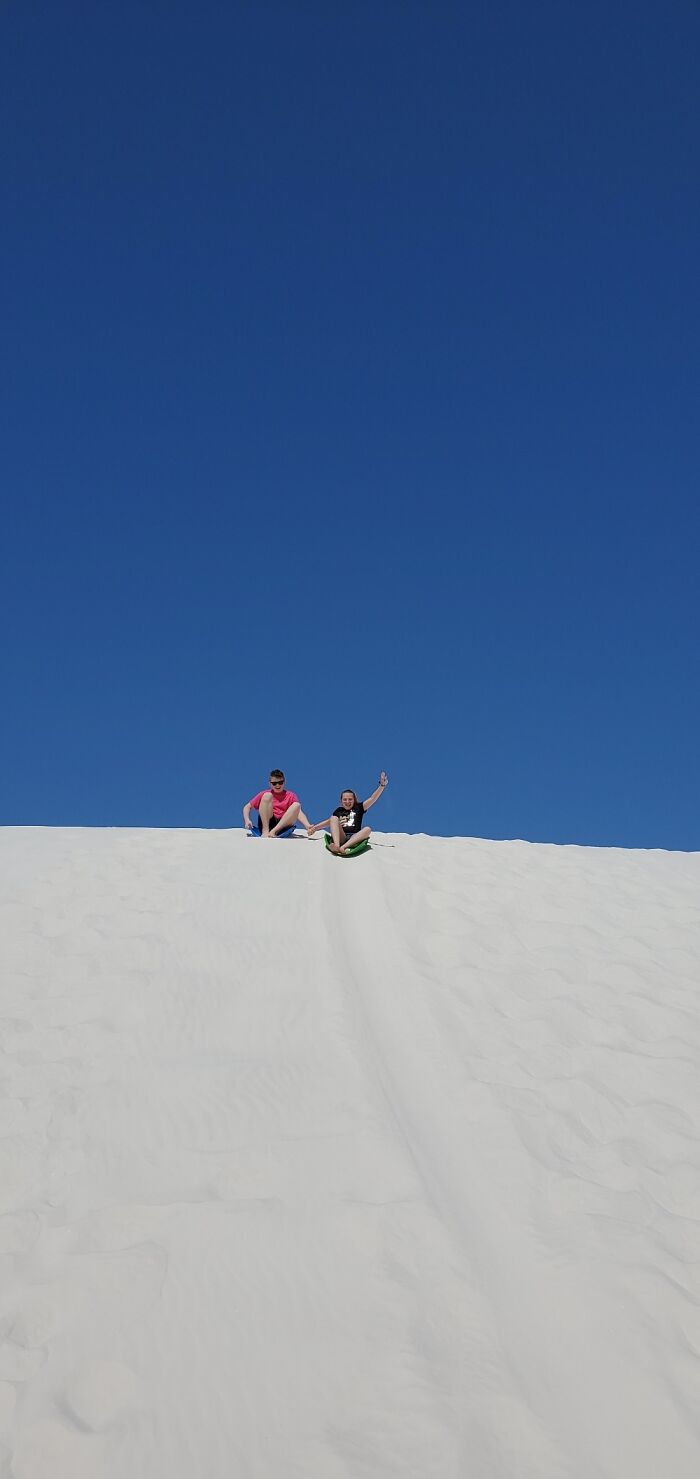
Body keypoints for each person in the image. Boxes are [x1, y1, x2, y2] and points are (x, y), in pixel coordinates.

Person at [308, 772, 388, 854]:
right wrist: (314, 828)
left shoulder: (359, 808)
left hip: (354, 838)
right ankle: (337, 846)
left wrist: (382, 786)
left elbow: (372, 798)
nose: (347, 801)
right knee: (333, 818)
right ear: (341, 801)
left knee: (368, 829)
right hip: (341, 837)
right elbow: (329, 822)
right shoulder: (339, 810)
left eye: (350, 799)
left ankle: (344, 847)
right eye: (345, 799)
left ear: (354, 800)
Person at [242, 769, 312, 838]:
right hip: (268, 822)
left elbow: (298, 812)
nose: (277, 785)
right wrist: (247, 820)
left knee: (297, 805)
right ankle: (265, 831)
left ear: (284, 782)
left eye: (280, 782)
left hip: (283, 825)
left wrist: (307, 825)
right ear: (270, 784)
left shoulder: (291, 795)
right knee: (267, 795)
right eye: (274, 783)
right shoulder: (264, 793)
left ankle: (274, 831)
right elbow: (247, 807)